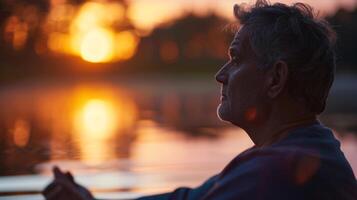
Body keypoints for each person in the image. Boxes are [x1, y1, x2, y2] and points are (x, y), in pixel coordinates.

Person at [43, 0, 357, 199]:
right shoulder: (304, 149)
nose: (221, 75)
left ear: (275, 78)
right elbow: (191, 197)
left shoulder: (277, 170)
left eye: (235, 58)